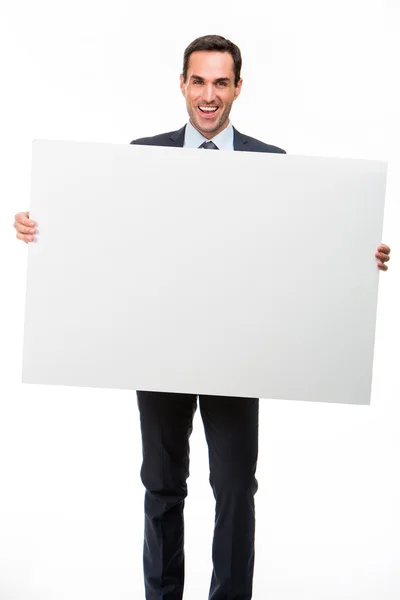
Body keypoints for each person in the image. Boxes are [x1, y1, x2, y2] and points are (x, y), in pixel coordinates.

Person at [13, 35, 391, 600]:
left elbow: (301, 252)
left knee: (236, 487)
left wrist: (360, 258)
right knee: (163, 487)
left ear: (238, 87)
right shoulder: (142, 154)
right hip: (159, 350)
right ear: (182, 84)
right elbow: (105, 235)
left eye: (221, 82)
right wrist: (43, 226)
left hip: (238, 356)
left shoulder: (272, 164)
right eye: (198, 81)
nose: (208, 95)